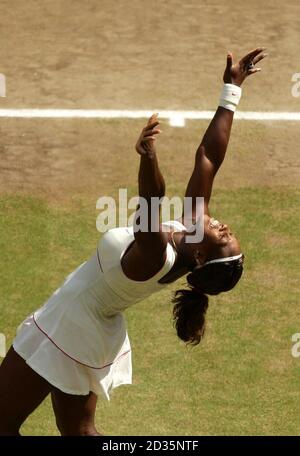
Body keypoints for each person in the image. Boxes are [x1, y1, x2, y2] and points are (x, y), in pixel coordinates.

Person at [0, 48, 266, 436]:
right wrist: (232, 90)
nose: (222, 224)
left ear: (203, 254)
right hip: (90, 329)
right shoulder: (191, 228)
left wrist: (148, 156)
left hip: (68, 325)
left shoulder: (156, 255)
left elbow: (152, 202)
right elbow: (209, 156)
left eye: (223, 235)